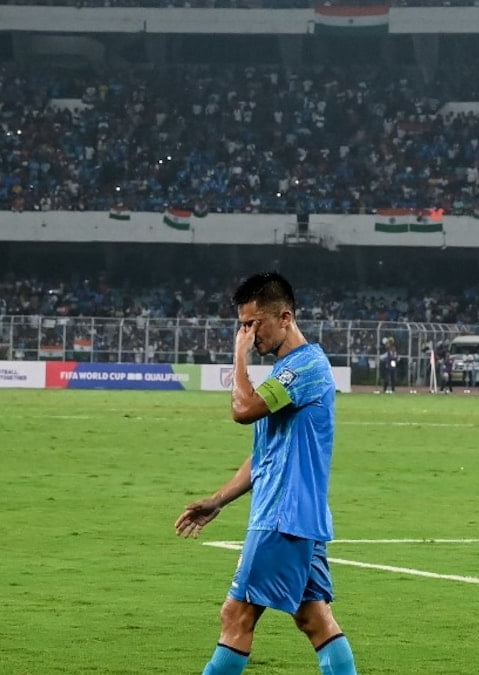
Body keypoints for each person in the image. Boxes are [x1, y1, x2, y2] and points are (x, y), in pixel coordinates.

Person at [175, 271, 358, 675]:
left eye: (253, 324)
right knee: (314, 620)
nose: (247, 333)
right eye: (242, 325)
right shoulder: (286, 371)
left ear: (286, 318)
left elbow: (242, 411)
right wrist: (217, 500)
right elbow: (264, 456)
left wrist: (237, 357)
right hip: (300, 518)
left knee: (235, 616)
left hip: (281, 516)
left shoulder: (304, 367)